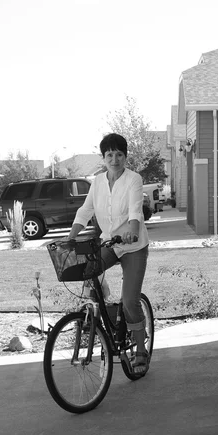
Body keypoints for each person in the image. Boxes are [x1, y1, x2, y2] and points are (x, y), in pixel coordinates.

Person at [67, 133, 150, 375]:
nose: (114, 159)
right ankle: (104, 322)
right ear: (103, 157)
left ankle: (141, 349)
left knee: (131, 301)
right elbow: (85, 211)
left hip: (133, 245)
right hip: (110, 242)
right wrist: (71, 237)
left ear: (125, 157)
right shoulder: (98, 182)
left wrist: (133, 231)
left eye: (119, 154)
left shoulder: (133, 179)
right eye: (110, 155)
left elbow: (136, 209)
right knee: (87, 270)